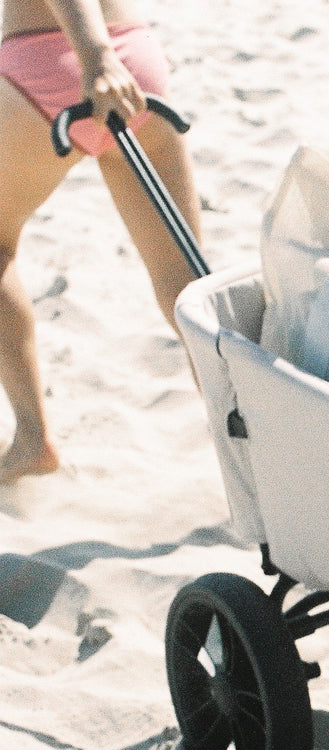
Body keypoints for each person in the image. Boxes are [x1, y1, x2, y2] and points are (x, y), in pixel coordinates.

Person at [0, 0, 200, 483]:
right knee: (186, 290)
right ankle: (261, 441)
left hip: (55, 63)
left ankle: (33, 439)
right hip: (136, 60)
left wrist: (94, 55)